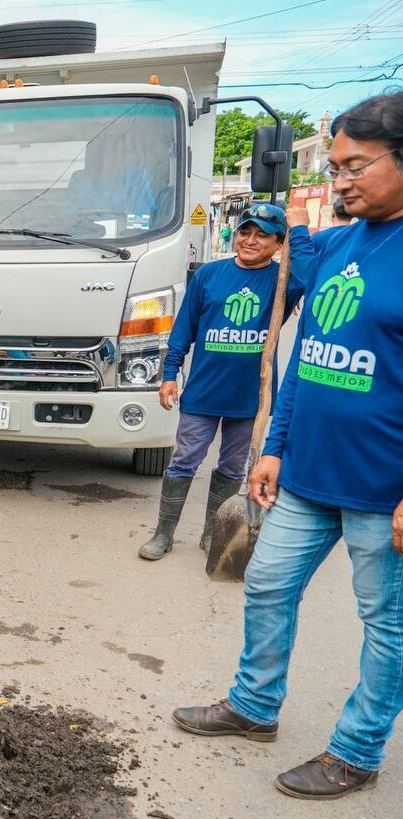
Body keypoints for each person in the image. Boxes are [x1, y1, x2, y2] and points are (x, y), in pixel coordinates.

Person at [173, 92, 403, 801]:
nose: (339, 181)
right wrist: (274, 447)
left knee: (385, 626)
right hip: (306, 473)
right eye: (333, 167)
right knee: (266, 582)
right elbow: (306, 357)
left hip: (381, 491)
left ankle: (356, 750)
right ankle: (254, 705)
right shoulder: (340, 242)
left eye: (355, 165)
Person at [139, 202, 295, 560]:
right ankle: (164, 534)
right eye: (245, 231)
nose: (251, 240)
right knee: (184, 461)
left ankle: (213, 533)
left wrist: (297, 234)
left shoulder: (285, 281)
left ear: (278, 243)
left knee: (231, 468)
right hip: (204, 393)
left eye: (263, 235)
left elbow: (310, 262)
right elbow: (182, 332)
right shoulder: (209, 276)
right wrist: (169, 375)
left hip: (250, 398)